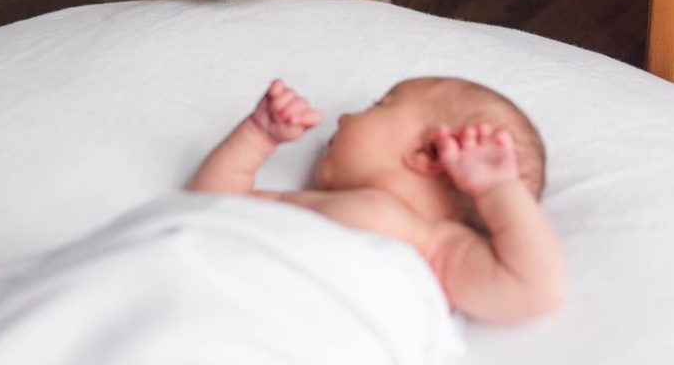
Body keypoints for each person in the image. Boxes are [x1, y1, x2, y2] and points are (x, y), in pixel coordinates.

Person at [188, 76, 567, 324]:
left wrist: (498, 191)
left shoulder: (438, 249)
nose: (346, 117)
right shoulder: (303, 205)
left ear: (428, 153)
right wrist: (256, 136)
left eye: (378, 105)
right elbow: (209, 208)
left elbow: (537, 288)